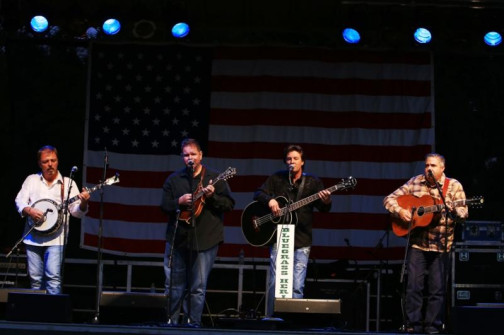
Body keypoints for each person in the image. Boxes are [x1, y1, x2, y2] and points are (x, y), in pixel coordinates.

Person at [383, 153, 468, 334]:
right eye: (427, 165)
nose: (429, 168)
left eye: (433, 166)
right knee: (414, 286)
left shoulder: (453, 186)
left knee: (437, 289)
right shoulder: (415, 181)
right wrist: (400, 211)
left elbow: (463, 212)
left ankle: (432, 326)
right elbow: (388, 199)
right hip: (418, 243)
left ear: (442, 168)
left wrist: (456, 211)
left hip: (441, 244)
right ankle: (413, 324)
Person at [160, 138, 235, 327]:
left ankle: (194, 324)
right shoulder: (174, 180)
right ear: (182, 157)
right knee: (174, 286)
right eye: (186, 155)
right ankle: (171, 323)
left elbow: (229, 205)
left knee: (197, 288)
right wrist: (178, 201)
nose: (190, 158)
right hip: (178, 239)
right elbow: (164, 206)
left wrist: (212, 197)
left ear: (201, 155)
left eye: (193, 154)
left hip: (206, 239)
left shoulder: (215, 177)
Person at [253, 144, 332, 317]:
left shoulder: (312, 182)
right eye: (289, 159)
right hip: (280, 236)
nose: (292, 162)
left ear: (302, 162)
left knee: (297, 284)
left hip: (302, 239)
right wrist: (270, 201)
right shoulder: (276, 179)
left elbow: (324, 209)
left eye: (295, 158)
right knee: (277, 282)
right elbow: (258, 193)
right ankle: (274, 318)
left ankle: (292, 320)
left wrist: (326, 201)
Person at [14, 145, 90, 295]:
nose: (50, 164)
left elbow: (76, 212)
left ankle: (52, 317)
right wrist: (29, 210)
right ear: (39, 163)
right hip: (33, 237)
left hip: (56, 239)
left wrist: (83, 202)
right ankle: (36, 315)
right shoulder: (32, 180)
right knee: (35, 279)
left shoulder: (68, 183)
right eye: (45, 161)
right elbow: (19, 201)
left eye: (53, 160)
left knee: (53, 278)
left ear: (58, 162)